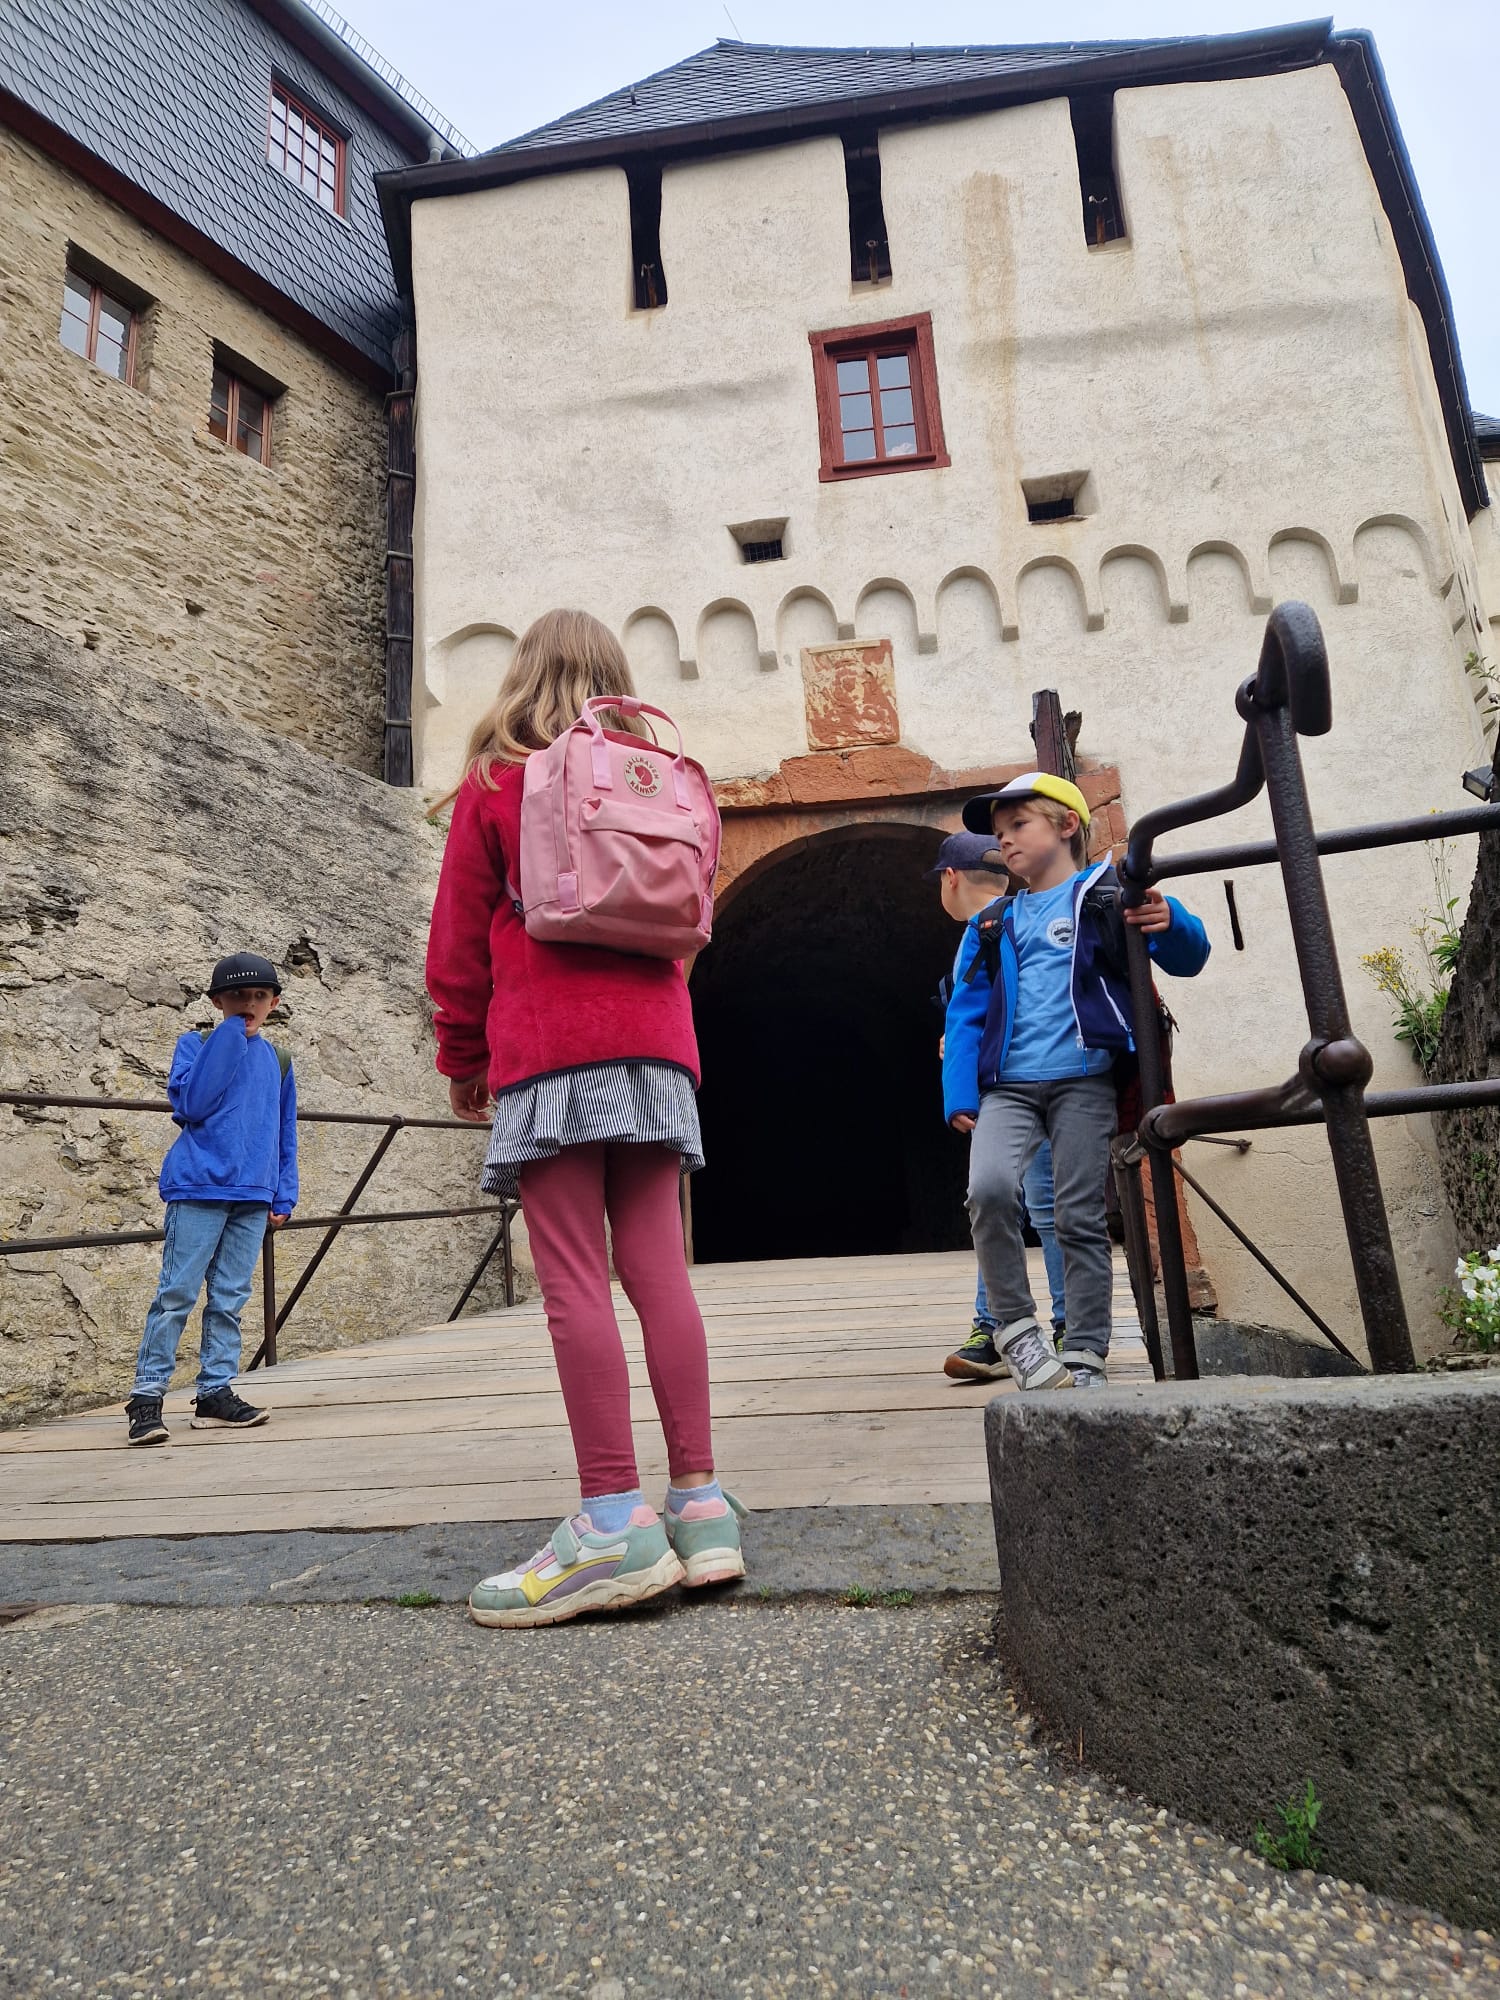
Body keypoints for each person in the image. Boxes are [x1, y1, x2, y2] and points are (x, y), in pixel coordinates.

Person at [425, 607, 744, 1629]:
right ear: (614, 675)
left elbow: (457, 941)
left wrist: (463, 1056)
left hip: (553, 1046)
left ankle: (611, 1519)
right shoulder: (658, 774)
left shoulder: (495, 780)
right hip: (658, 1046)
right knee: (660, 1273)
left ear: (523, 673)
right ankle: (701, 1505)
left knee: (573, 1279)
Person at [943, 774, 1210, 1390]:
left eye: (1019, 825)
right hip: (1007, 1087)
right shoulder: (991, 922)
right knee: (987, 1191)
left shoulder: (1108, 895)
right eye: (999, 833)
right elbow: (965, 1011)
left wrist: (1170, 919)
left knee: (1078, 1216)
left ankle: (1086, 1352)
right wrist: (959, 1091)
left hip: (1084, 1082)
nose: (1005, 841)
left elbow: (1190, 958)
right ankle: (1015, 1331)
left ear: (1067, 826)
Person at [124, 953, 296, 1445]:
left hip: (253, 1194)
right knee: (176, 1293)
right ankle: (146, 1396)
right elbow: (193, 1104)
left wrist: (284, 1193)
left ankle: (215, 1393)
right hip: (198, 1187)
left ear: (274, 1003)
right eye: (237, 996)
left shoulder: (280, 1060)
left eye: (259, 996)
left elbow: (285, 1131)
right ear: (218, 1002)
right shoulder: (195, 1045)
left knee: (230, 1298)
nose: (249, 1004)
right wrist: (229, 1038)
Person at [925, 832, 1068, 1382]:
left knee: (1026, 1206)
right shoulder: (1017, 918)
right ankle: (1022, 1329)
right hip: (1039, 1081)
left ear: (950, 878)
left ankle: (1028, 1329)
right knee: (1026, 1205)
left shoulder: (997, 924)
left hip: (1022, 1086)